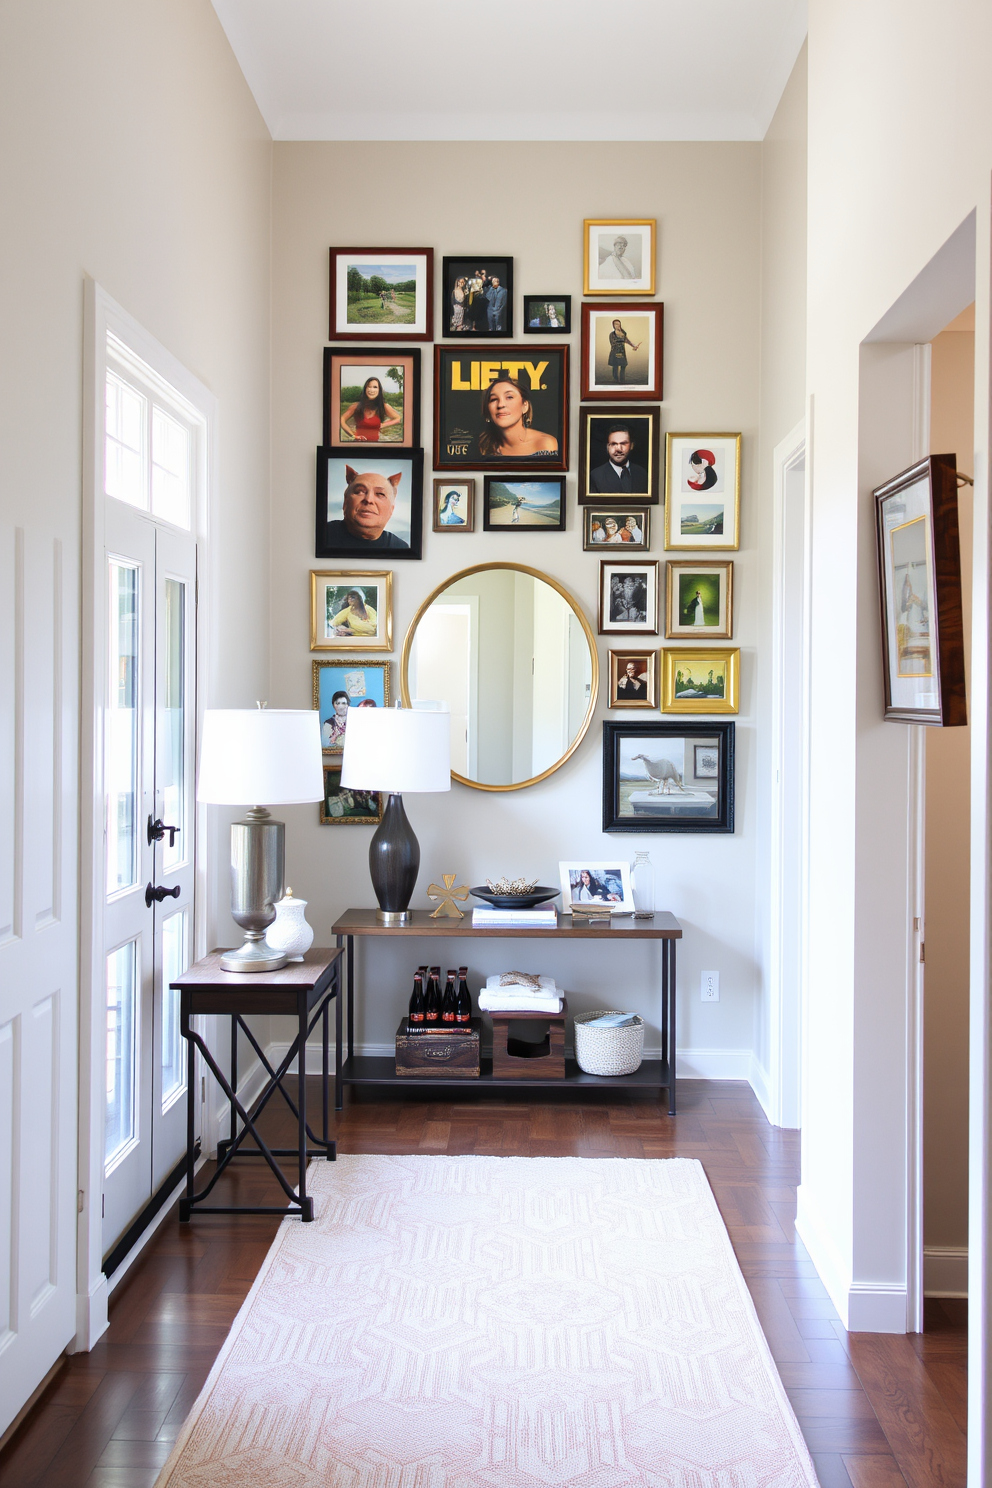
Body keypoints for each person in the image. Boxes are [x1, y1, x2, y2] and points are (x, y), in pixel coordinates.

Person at [325, 464, 410, 550]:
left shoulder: (400, 547)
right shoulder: (321, 535)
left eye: (380, 494)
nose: (369, 499)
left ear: (391, 509)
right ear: (345, 502)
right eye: (360, 491)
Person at [477, 374, 558, 459]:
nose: (500, 405)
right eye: (494, 399)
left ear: (524, 406)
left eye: (509, 397)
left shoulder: (545, 444)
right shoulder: (483, 447)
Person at [339, 376, 401, 443]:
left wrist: (382, 425)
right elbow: (341, 419)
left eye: (375, 387)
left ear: (379, 390)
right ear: (365, 389)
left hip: (375, 447)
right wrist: (353, 435)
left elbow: (398, 418)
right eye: (369, 386)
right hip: (357, 446)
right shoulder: (356, 406)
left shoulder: (384, 407)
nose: (371, 390)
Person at [589, 425, 649, 493]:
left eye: (623, 443)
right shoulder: (596, 476)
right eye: (614, 444)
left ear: (631, 445)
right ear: (607, 447)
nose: (618, 449)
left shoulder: (642, 474)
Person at [607, 319, 640, 383]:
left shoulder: (623, 333)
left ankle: (622, 380)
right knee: (615, 366)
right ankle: (615, 380)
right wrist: (621, 338)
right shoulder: (612, 334)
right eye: (616, 324)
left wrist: (634, 346)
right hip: (615, 352)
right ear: (613, 325)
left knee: (623, 365)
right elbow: (613, 344)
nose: (617, 325)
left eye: (618, 324)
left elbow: (627, 340)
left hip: (622, 352)